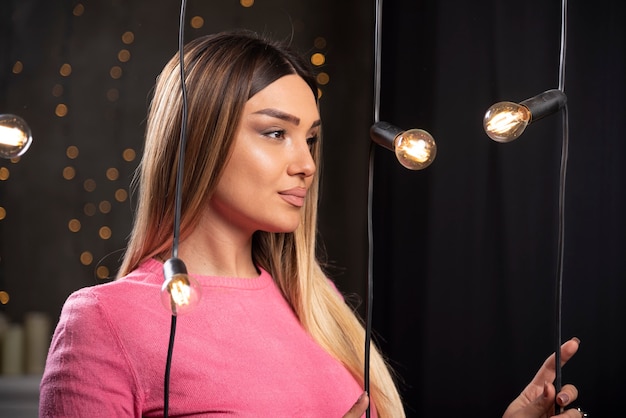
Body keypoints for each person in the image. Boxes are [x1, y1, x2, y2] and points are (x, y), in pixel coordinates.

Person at [39, 30, 583, 417]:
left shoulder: (314, 302)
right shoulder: (106, 323)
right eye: (276, 133)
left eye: (312, 138)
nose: (306, 163)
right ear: (197, 137)